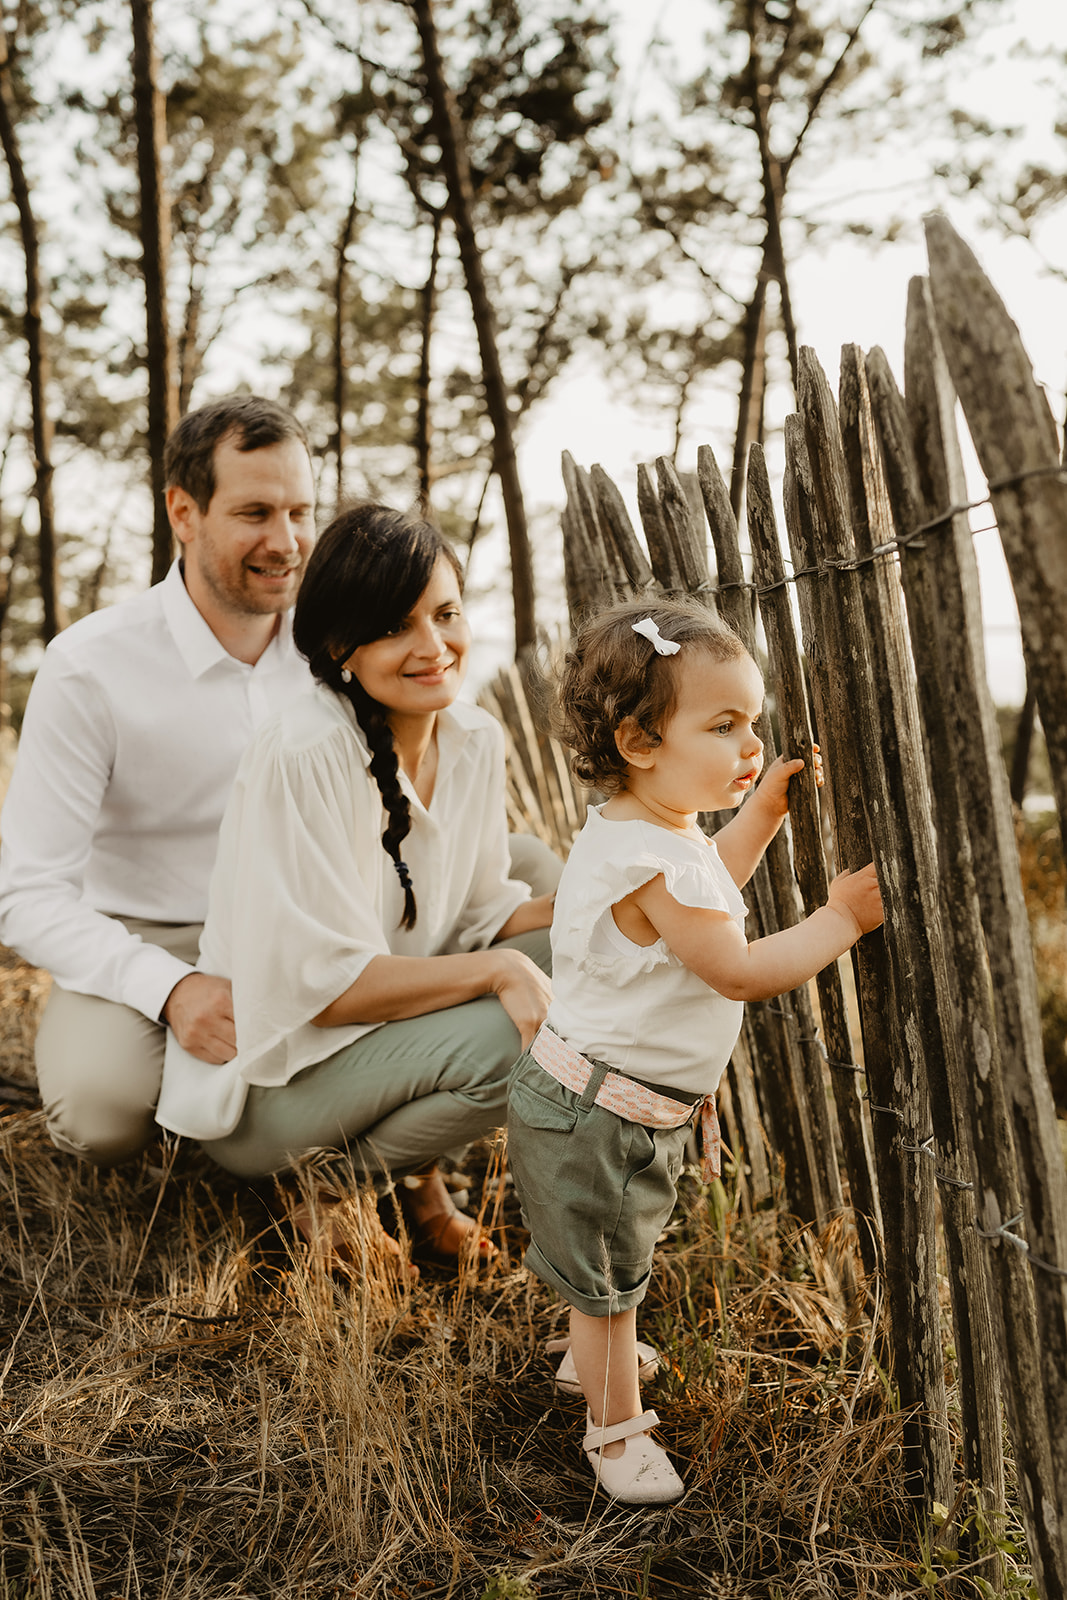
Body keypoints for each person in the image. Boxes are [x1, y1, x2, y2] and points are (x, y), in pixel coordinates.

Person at [506, 598, 883, 1503]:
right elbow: (736, 969)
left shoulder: (637, 831)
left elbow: (707, 889)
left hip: (587, 1101)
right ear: (639, 742)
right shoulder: (657, 861)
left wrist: (760, 813)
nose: (749, 744)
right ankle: (614, 1434)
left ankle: (591, 1355)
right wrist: (838, 919)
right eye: (722, 726)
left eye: (751, 722)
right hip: (600, 1118)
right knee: (609, 1284)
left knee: (603, 1262)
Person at [156, 503, 557, 1267]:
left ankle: (407, 1179)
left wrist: (596, 908)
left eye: (445, 614)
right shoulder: (306, 751)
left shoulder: (474, 737)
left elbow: (477, 914)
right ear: (340, 645)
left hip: (378, 1047)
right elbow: (328, 992)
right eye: (395, 626)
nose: (433, 646)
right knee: (527, 1036)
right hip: (275, 1087)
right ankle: (329, 1183)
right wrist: (501, 970)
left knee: (584, 949)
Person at [0, 395, 318, 1167]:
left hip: (305, 920)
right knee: (98, 1116)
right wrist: (171, 990)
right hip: (145, 933)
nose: (285, 542)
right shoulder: (89, 667)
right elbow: (27, 893)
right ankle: (192, 1103)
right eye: (254, 513)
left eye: (300, 512)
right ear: (184, 513)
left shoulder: (335, 647)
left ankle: (312, 1154)